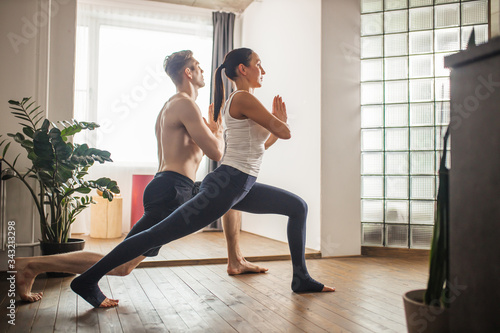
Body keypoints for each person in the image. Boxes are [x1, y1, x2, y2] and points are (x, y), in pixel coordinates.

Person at [70, 47, 335, 308]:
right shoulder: (243, 98)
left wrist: (277, 125)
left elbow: (261, 147)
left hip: (241, 184)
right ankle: (88, 280)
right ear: (243, 69)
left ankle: (301, 278)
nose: (262, 70)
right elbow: (285, 132)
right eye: (258, 64)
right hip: (227, 185)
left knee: (297, 207)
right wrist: (281, 121)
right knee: (154, 235)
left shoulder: (240, 101)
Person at [14, 50, 267, 304]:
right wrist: (218, 131)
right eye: (197, 66)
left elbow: (194, 151)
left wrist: (211, 134)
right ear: (187, 73)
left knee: (225, 197)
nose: (203, 71)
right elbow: (216, 152)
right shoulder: (185, 104)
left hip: (173, 186)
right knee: (121, 264)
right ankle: (31, 265)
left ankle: (235, 259)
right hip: (173, 189)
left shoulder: (172, 105)